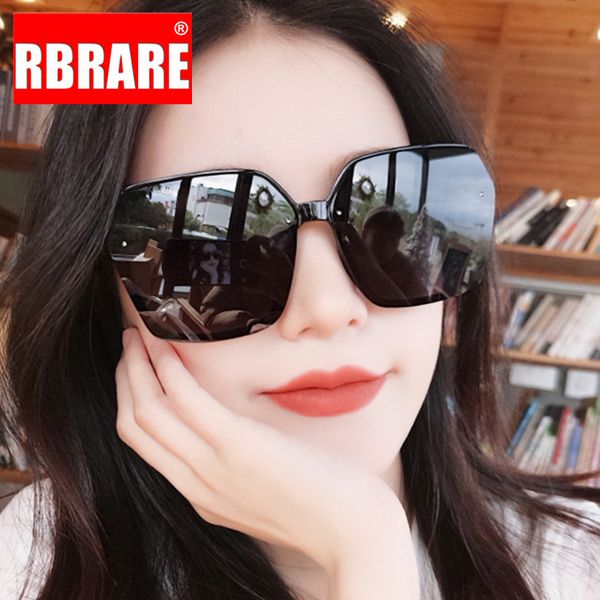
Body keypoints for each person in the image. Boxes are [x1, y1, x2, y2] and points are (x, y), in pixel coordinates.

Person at [1, 0, 599, 599]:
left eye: (387, 216)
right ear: (100, 295)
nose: (328, 308)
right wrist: (362, 552)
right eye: (220, 245)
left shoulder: (581, 560)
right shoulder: (30, 560)